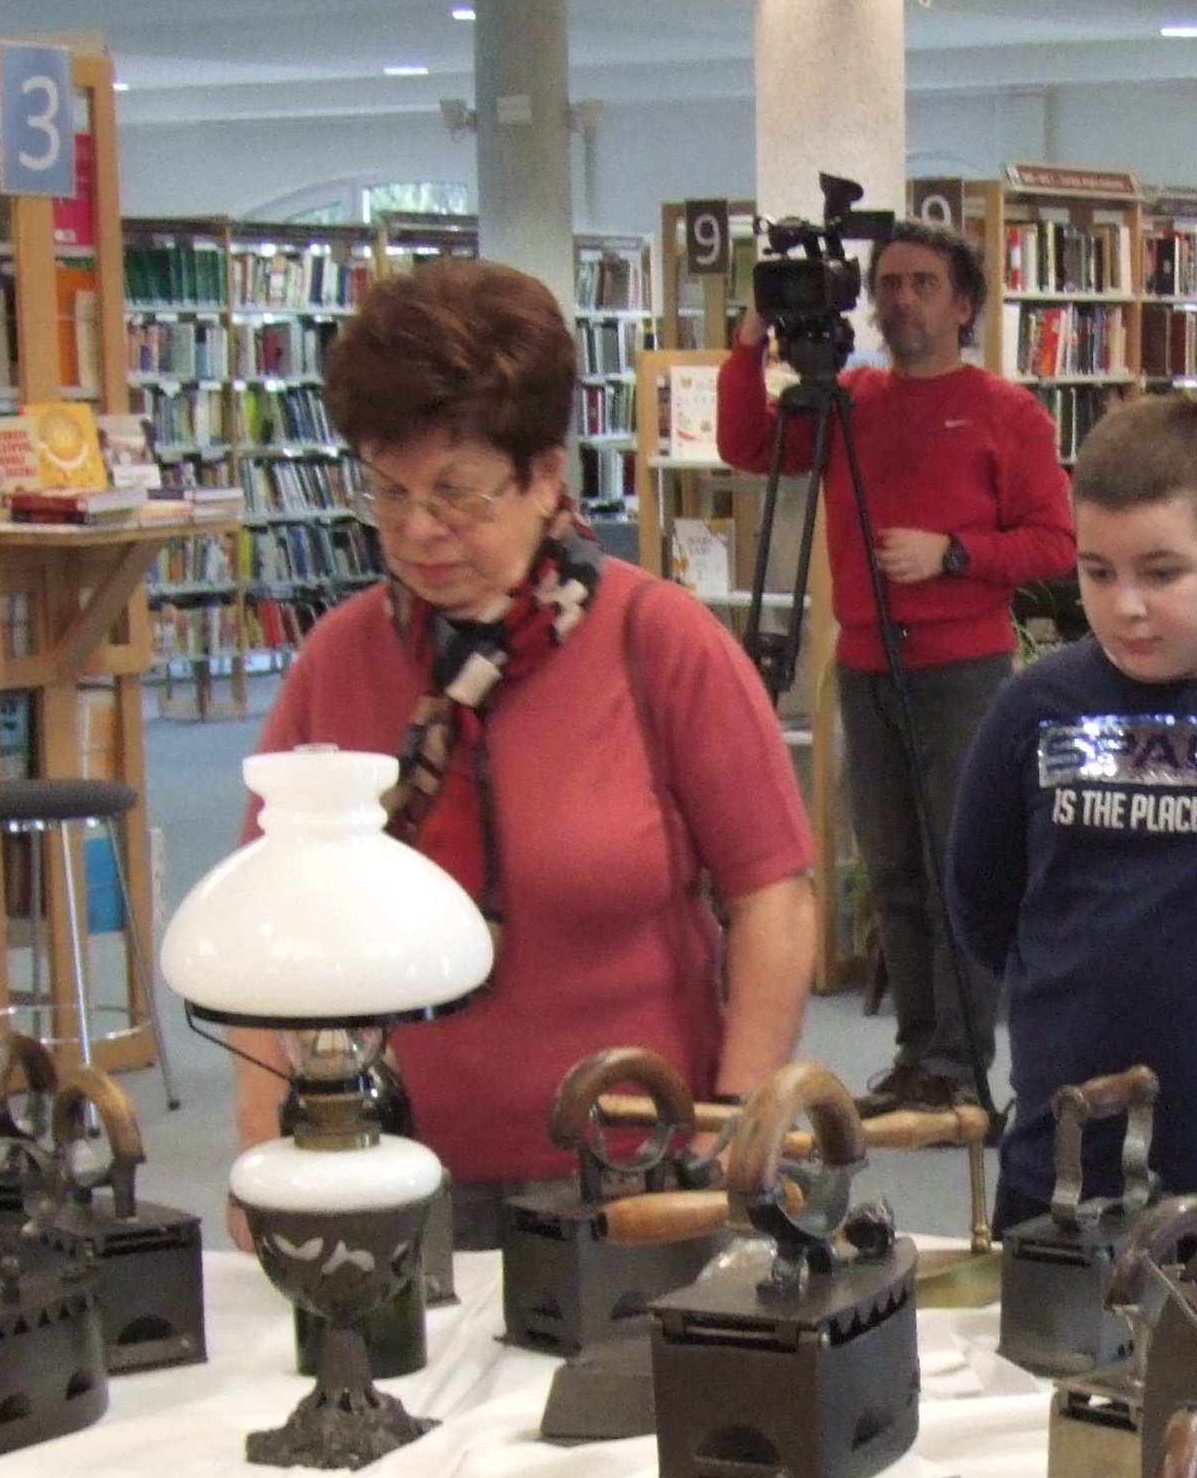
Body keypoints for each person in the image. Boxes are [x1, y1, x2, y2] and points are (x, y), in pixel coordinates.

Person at [235, 257, 815, 1233]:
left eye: (457, 494)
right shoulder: (339, 662)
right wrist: (262, 1150)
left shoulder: (657, 643)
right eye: (389, 492)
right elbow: (267, 932)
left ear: (545, 475)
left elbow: (774, 902)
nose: (418, 530)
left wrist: (734, 1132)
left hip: (631, 1179)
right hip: (385, 1172)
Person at [719, 221, 1076, 1114]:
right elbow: (747, 445)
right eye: (888, 283)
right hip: (866, 664)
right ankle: (919, 1053)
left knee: (957, 866)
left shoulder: (1007, 413)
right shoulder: (849, 402)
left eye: (923, 283)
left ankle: (959, 1064)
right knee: (893, 874)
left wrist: (952, 553)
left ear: (963, 305)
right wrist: (752, 337)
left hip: (962, 671)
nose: (902, 299)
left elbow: (1055, 543)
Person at [949, 395, 1197, 1240]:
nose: (1125, 606)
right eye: (1097, 573)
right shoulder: (1034, 706)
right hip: (1063, 1163)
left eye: (1161, 574)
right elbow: (984, 905)